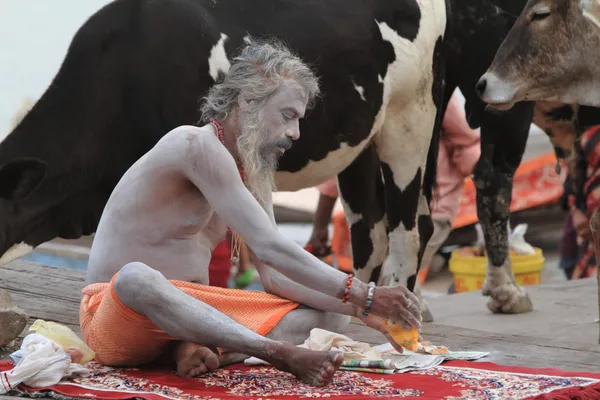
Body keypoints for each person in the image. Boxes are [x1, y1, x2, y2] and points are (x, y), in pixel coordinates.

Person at [79, 38, 422, 387]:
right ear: (248, 102)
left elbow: (275, 277)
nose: (296, 133)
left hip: (190, 320)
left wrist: (363, 310)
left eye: (299, 120)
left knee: (333, 318)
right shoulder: (193, 146)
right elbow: (270, 244)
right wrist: (365, 294)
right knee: (136, 277)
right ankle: (276, 353)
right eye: (288, 116)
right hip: (118, 318)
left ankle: (192, 348)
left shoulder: (253, 171)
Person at [306, 91, 481, 277]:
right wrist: (320, 227)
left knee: (391, 281)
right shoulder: (360, 93)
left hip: (431, 208)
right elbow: (340, 165)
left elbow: (466, 143)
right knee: (387, 284)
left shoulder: (431, 85)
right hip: (379, 212)